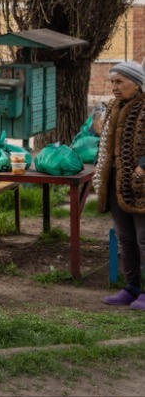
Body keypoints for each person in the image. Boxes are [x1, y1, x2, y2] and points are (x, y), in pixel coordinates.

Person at [93, 61, 145, 310]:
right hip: (114, 183)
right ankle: (132, 287)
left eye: (120, 82)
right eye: (112, 82)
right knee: (125, 238)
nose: (114, 87)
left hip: (140, 185)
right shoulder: (113, 106)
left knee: (143, 238)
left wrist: (141, 168)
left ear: (136, 83)